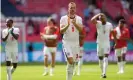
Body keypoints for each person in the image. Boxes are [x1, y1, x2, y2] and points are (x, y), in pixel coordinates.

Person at [60, 2, 83, 80]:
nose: (72, 9)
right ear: (68, 9)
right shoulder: (63, 18)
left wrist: (75, 24)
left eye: (74, 8)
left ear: (75, 9)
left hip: (76, 44)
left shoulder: (79, 19)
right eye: (71, 8)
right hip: (67, 43)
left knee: (73, 62)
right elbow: (61, 31)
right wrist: (68, 24)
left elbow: (81, 30)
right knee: (70, 61)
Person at [91, 13, 114, 78]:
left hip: (106, 43)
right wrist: (98, 14)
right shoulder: (98, 23)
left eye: (102, 18)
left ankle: (104, 73)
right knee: (100, 59)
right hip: (99, 43)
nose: (101, 19)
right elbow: (92, 20)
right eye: (100, 18)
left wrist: (115, 42)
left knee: (106, 57)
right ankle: (102, 72)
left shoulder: (109, 24)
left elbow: (113, 33)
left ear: (105, 18)